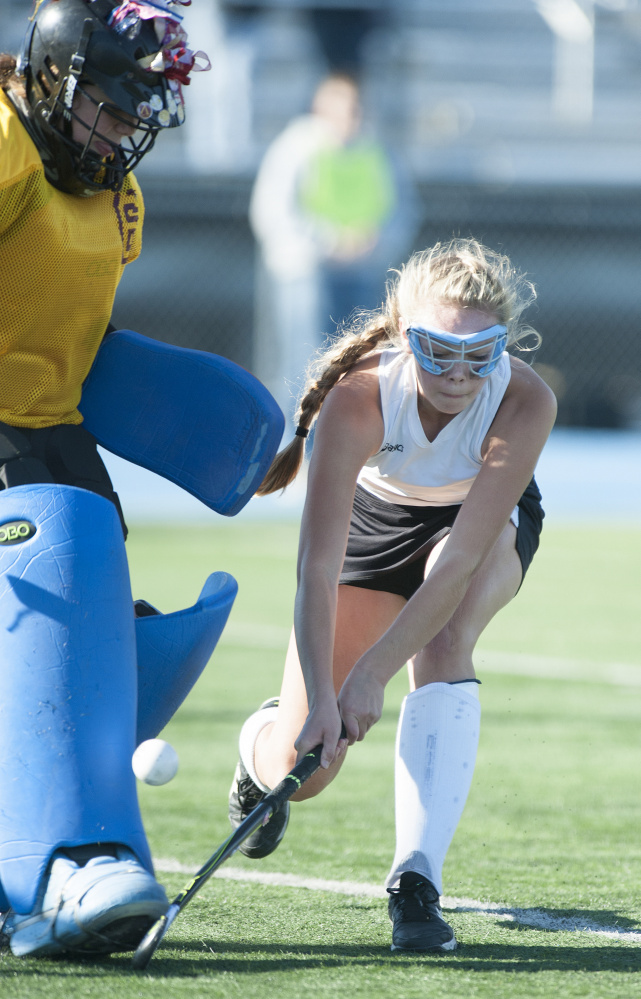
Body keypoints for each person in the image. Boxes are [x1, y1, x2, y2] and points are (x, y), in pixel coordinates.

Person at [0, 0, 280, 961]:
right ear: (53, 76)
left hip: (50, 433)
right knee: (55, 617)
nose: (123, 131)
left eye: (137, 114)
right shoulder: (5, 149)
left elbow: (75, 332)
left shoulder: (116, 194)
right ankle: (65, 858)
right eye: (111, 107)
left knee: (105, 642)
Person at [228, 237, 557, 952]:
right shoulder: (357, 401)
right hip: (371, 527)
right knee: (301, 772)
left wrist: (373, 673)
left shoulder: (526, 398)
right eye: (439, 351)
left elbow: (459, 559)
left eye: (482, 353)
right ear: (406, 336)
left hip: (474, 525)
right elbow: (316, 568)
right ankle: (258, 741)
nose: (460, 373)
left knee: (447, 635)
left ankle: (416, 879)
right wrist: (326, 695)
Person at [250, 71, 417, 432]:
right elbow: (273, 213)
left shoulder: (379, 151)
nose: (348, 117)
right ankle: (295, 445)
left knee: (364, 364)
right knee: (304, 361)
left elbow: (401, 211)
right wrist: (329, 242)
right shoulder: (294, 147)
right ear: (319, 108)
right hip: (305, 273)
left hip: (364, 271)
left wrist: (371, 243)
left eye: (355, 109)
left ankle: (351, 441)